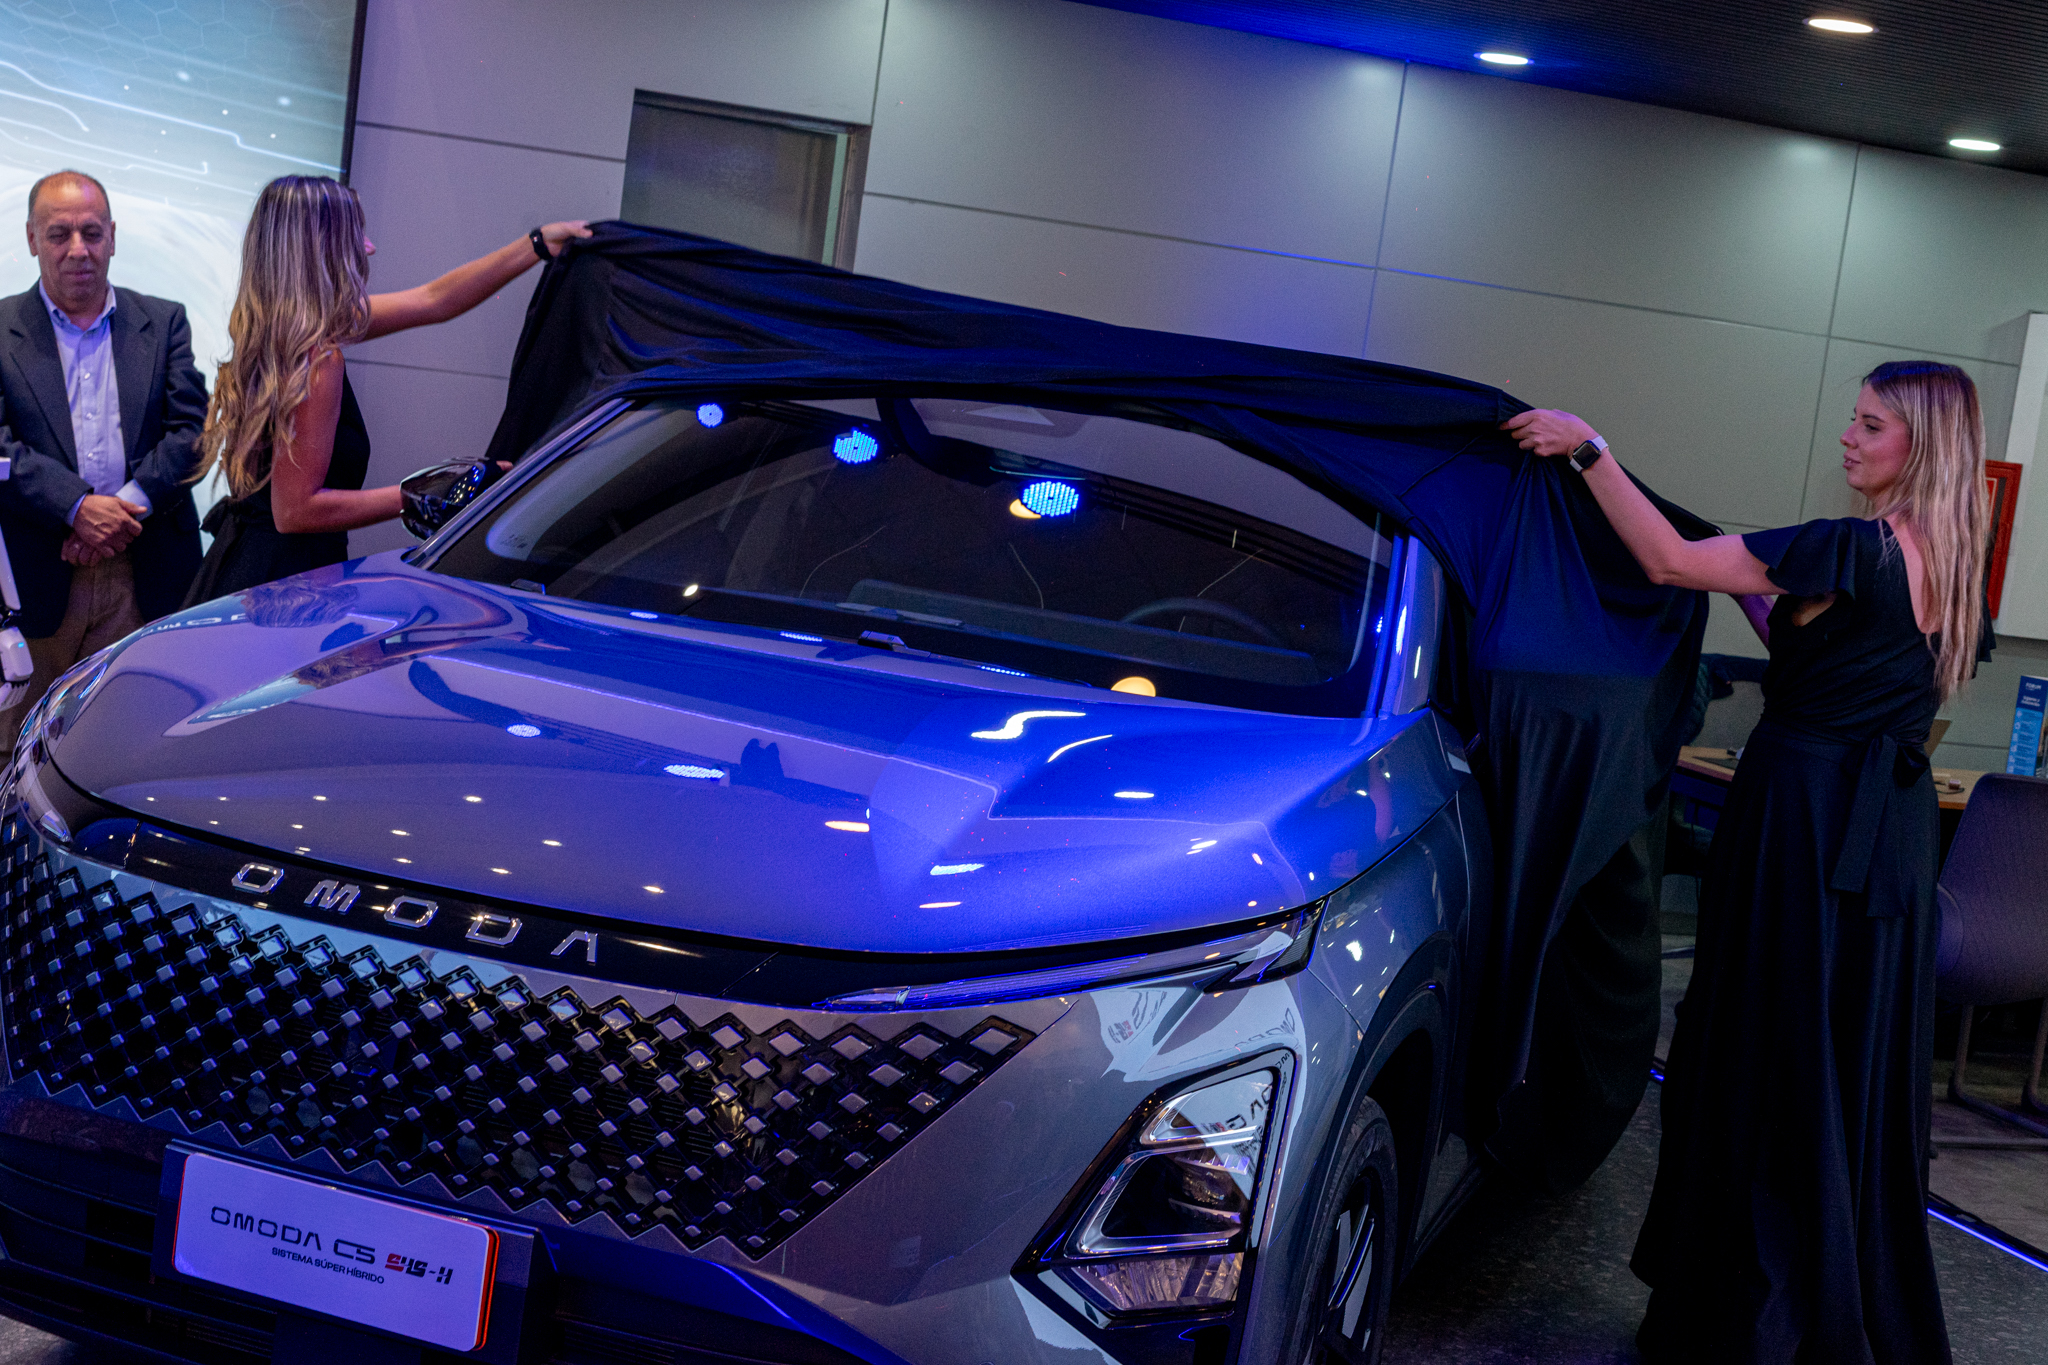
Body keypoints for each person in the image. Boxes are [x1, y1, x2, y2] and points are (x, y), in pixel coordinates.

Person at [1506, 361, 1988, 1364]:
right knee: (1840, 1055)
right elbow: (1823, 648)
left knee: (1766, 1043)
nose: (1848, 438)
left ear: (1922, 443)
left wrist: (1590, 449)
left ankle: (1757, 1310)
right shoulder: (1952, 568)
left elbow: (1664, 563)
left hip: (1801, 817)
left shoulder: (1846, 547)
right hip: (1888, 839)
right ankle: (1825, 1295)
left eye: (1870, 425)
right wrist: (1754, 586)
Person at [185, 175, 589, 601]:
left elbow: (435, 300)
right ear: (322, 248)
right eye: (355, 233)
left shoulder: (274, 331)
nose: (369, 247)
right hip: (285, 588)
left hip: (249, 567)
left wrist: (536, 244)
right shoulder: (317, 359)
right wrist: (424, 495)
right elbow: (295, 512)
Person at [0, 169, 207, 739]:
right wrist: (77, 508)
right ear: (31, 238)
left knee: (127, 743)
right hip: (36, 576)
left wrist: (119, 511)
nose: (78, 250)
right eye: (59, 234)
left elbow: (193, 433)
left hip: (143, 573)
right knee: (15, 746)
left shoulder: (163, 322)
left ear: (112, 236)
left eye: (92, 233)